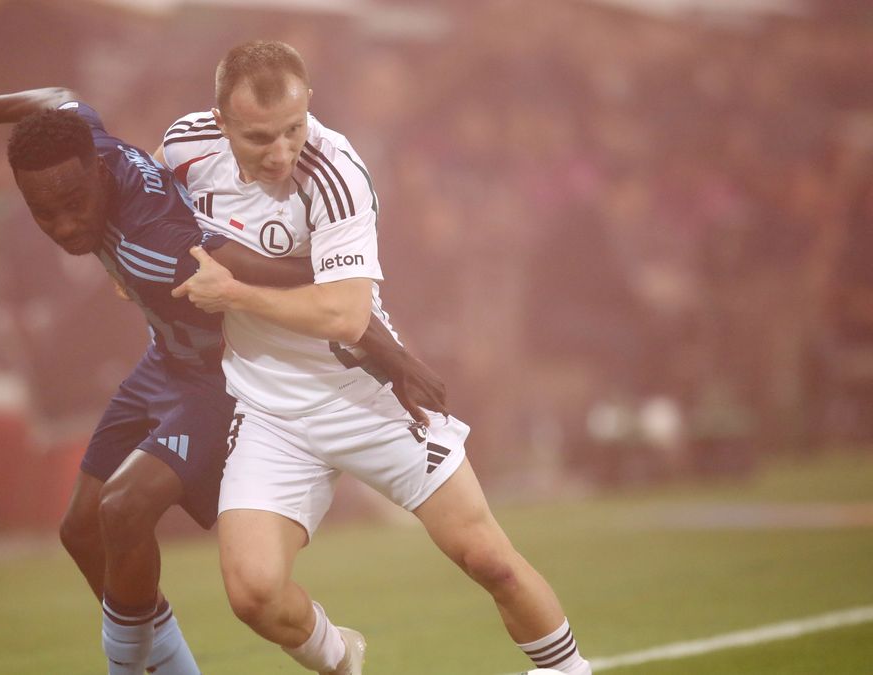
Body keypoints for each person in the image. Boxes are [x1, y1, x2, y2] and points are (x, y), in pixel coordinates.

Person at [0, 70, 446, 675]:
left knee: (122, 510)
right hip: (164, 364)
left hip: (222, 380)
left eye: (73, 206)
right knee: (80, 532)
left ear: (96, 172)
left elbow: (302, 274)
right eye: (46, 214)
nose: (65, 226)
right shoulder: (87, 141)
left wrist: (397, 358)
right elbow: (60, 101)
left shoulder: (164, 245)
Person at [163, 41, 592, 675]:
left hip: (365, 394)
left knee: (487, 559)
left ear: (309, 104)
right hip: (268, 410)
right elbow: (138, 205)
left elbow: (345, 316)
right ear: (221, 121)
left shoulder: (335, 171)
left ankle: (567, 670)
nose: (281, 151)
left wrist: (232, 294)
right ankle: (341, 660)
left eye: (293, 128)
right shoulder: (182, 147)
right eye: (259, 138)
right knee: (252, 593)